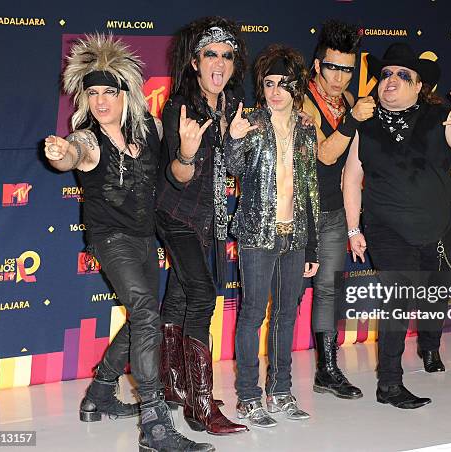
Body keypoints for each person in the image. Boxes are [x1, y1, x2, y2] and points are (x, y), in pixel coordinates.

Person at [44, 34, 213, 452]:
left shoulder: (149, 128)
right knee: (143, 312)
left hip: (143, 238)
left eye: (108, 92)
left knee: (145, 317)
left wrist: (188, 151)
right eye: (92, 93)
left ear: (125, 93)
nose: (100, 101)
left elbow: (176, 169)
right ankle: (154, 425)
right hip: (110, 240)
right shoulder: (86, 138)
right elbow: (69, 156)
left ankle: (100, 393)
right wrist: (60, 152)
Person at [343, 42, 451, 409]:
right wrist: (352, 229)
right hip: (387, 230)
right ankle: (389, 383)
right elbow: (350, 178)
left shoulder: (439, 117)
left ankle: (429, 347)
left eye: (401, 74)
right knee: (398, 300)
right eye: (386, 73)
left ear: (418, 85)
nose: (391, 79)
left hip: (436, 230)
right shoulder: (365, 123)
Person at [155, 17, 248, 435]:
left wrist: (234, 141)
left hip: (208, 216)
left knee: (178, 294)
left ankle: (174, 385)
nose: (220, 62)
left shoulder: (230, 105)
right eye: (211, 53)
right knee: (202, 293)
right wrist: (188, 153)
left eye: (227, 55)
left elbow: (232, 167)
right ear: (195, 62)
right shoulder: (179, 106)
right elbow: (178, 176)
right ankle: (201, 405)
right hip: (175, 213)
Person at [225, 44, 320, 428]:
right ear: (261, 87)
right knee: (251, 315)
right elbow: (233, 166)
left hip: (294, 235)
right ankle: (248, 398)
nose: (276, 90)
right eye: (269, 83)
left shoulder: (306, 128)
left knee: (286, 314)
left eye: (284, 83)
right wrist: (233, 138)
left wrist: (312, 242)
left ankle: (280, 391)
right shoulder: (252, 122)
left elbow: (311, 187)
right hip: (256, 235)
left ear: (296, 87)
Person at [303, 20, 375, 400]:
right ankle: (274, 380)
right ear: (318, 65)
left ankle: (327, 371)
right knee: (286, 296)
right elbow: (323, 153)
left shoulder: (349, 102)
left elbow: (353, 167)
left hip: (331, 211)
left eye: (348, 69)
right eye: (332, 67)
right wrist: (352, 120)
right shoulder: (302, 100)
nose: (340, 77)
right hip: (297, 215)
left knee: (330, 291)